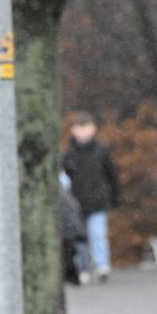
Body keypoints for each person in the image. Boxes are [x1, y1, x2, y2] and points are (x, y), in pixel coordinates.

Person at [62, 112, 120, 283]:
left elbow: (112, 175)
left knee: (97, 234)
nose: (83, 132)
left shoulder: (102, 151)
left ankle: (102, 265)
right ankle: (82, 267)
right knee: (79, 238)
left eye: (86, 127)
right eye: (79, 128)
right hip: (76, 203)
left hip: (97, 201)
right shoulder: (69, 154)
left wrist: (114, 196)